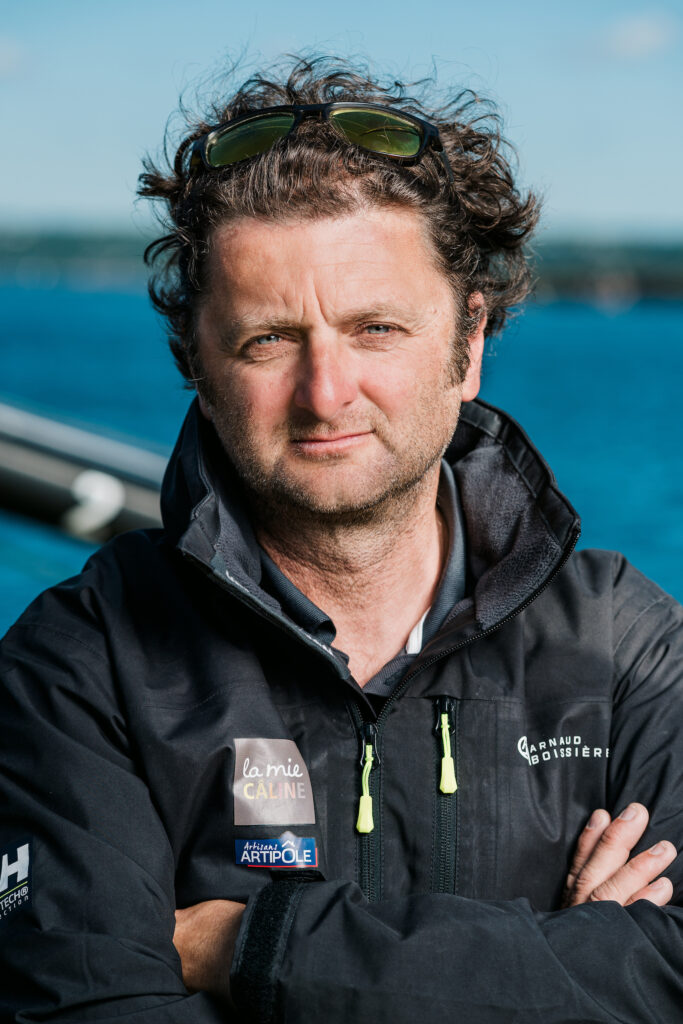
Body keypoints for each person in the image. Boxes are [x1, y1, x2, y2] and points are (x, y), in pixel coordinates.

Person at [1, 55, 682, 1023]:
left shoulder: (625, 653)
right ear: (197, 361)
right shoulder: (79, 669)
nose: (325, 393)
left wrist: (257, 946)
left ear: (467, 345)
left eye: (373, 328)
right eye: (269, 339)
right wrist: (559, 969)